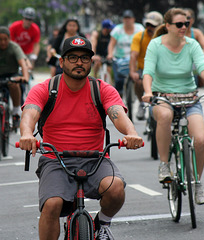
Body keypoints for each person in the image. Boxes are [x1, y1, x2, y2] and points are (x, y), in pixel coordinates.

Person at [18, 36, 144, 240]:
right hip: (55, 160)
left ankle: (102, 223)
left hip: (95, 158)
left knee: (116, 188)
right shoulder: (46, 89)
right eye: (73, 57)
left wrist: (132, 134)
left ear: (91, 62)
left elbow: (118, 113)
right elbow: (30, 114)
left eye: (85, 58)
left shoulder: (101, 88)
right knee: (52, 204)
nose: (79, 62)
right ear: (61, 62)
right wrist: (26, 134)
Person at [142, 8, 204, 205]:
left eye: (186, 23)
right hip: (163, 97)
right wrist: (147, 92)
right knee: (165, 117)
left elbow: (203, 68)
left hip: (190, 99)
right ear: (168, 26)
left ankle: (196, 182)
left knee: (201, 139)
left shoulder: (192, 45)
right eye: (179, 24)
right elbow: (148, 72)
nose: (184, 27)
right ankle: (164, 165)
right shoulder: (155, 45)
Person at [130, 11, 163, 120]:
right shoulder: (139, 37)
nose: (150, 28)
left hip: (160, 69)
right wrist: (133, 72)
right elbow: (133, 55)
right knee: (138, 82)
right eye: (148, 25)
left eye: (153, 26)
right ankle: (141, 103)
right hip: (143, 69)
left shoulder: (164, 38)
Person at [107, 10, 144, 97]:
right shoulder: (117, 29)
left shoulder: (140, 29)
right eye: (125, 18)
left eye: (129, 18)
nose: (127, 20)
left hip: (135, 58)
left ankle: (139, 98)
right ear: (123, 20)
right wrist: (110, 54)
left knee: (140, 79)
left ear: (133, 19)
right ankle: (118, 95)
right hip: (120, 58)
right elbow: (111, 43)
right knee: (119, 80)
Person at [0, 26, 29, 129]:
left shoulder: (14, 47)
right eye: (0, 39)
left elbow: (23, 63)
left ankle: (16, 113)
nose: (3, 42)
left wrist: (25, 77)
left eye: (5, 39)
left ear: (9, 39)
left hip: (12, 75)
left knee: (14, 84)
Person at [184, 8, 204, 88]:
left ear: (192, 20)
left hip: (192, 65)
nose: (186, 21)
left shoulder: (196, 33)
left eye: (188, 18)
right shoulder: (175, 34)